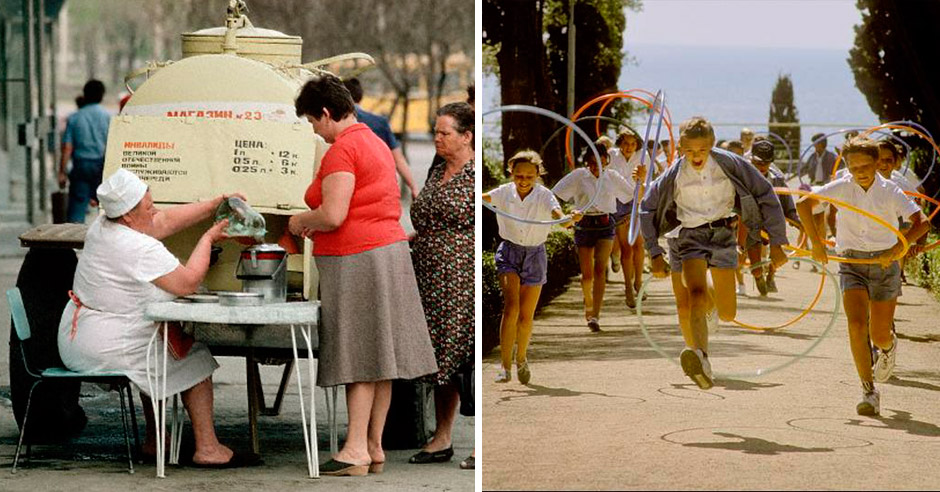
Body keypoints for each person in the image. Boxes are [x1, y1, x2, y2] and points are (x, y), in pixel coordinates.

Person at [289, 74, 438, 476]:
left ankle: (353, 448)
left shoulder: (342, 150)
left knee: (357, 355)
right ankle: (373, 445)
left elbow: (333, 214)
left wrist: (300, 220)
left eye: (312, 122)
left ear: (325, 113)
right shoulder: (374, 140)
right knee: (380, 356)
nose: (315, 133)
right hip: (388, 252)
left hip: (356, 257)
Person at [56, 169, 254, 468]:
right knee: (193, 357)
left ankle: (155, 440)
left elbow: (162, 222)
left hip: (80, 335)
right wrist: (208, 237)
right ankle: (208, 448)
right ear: (128, 217)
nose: (155, 211)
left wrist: (216, 203)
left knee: (157, 356)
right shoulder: (136, 247)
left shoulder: (104, 225)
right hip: (103, 343)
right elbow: (186, 282)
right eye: (148, 207)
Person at [639, 116, 789, 389]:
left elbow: (766, 194)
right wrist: (654, 251)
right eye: (690, 151)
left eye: (702, 150)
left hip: (723, 235)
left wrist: (777, 241)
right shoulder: (675, 172)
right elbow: (647, 208)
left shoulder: (731, 164)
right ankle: (701, 357)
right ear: (682, 147)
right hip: (690, 236)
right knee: (694, 294)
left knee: (728, 312)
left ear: (712, 144)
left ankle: (711, 315)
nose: (696, 156)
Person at [796, 137, 928, 416]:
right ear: (847, 166)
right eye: (854, 167)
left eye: (866, 165)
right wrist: (817, 244)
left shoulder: (890, 191)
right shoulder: (843, 186)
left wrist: (896, 249)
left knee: (878, 333)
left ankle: (889, 347)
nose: (861, 172)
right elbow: (804, 204)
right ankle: (868, 390)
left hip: (884, 265)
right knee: (856, 326)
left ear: (877, 163)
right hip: (851, 262)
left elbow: (921, 222)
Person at [409, 102, 475, 466]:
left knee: (464, 355)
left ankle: (481, 443)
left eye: (444, 133)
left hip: (460, 277)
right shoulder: (437, 170)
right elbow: (426, 218)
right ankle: (442, 436)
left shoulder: (475, 174)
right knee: (440, 358)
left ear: (466, 137)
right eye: (435, 132)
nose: (436, 138)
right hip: (429, 273)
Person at [484, 150, 579, 384]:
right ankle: (505, 367)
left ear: (537, 175)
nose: (523, 181)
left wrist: (571, 218)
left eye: (529, 176)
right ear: (511, 173)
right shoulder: (503, 192)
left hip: (535, 254)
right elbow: (482, 197)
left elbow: (561, 218)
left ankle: (522, 358)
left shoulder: (544, 195)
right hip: (509, 252)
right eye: (518, 176)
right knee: (511, 308)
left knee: (526, 316)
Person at [553, 137, 630, 331]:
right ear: (588, 162)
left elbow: (632, 195)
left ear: (606, 160)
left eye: (601, 163)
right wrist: (566, 215)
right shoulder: (579, 175)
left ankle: (595, 314)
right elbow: (554, 195)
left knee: (599, 269)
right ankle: (588, 304)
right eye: (593, 163)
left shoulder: (612, 176)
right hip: (584, 223)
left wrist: (628, 214)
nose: (597, 167)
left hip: (605, 223)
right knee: (587, 275)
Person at [342, 78, 418, 199]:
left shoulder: (335, 121)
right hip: (379, 189)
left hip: (348, 188)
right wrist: (413, 187)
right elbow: (398, 160)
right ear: (360, 97)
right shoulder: (380, 122)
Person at [743, 140, 801, 295]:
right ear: (752, 160)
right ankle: (758, 276)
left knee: (776, 252)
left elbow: (787, 202)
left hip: (772, 223)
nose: (762, 167)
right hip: (751, 224)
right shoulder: (742, 177)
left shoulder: (777, 179)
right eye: (758, 162)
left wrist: (795, 219)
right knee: (755, 267)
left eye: (766, 163)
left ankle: (771, 275)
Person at [58, 79, 111, 223]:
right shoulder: (107, 117)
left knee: (77, 208)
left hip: (81, 166)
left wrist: (62, 172)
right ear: (102, 95)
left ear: (85, 94)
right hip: (101, 166)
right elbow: (111, 145)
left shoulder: (75, 117)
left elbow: (67, 147)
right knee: (107, 208)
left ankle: (75, 241)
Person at [608, 128, 648, 307]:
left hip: (637, 201)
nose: (629, 147)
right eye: (625, 143)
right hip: (618, 204)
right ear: (620, 143)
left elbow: (647, 179)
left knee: (639, 245)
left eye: (633, 144)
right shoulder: (611, 155)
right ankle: (627, 287)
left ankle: (638, 283)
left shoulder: (643, 155)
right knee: (626, 248)